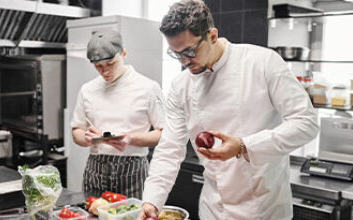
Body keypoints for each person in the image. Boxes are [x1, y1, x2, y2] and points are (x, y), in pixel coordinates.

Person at [139, 0, 319, 219]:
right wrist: (152, 201)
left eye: (189, 51)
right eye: (176, 53)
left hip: (263, 207)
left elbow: (306, 123)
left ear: (212, 36)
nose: (184, 62)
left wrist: (244, 146)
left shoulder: (262, 62)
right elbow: (169, 149)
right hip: (213, 208)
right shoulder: (181, 86)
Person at [71, 30, 165, 199]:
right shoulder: (87, 90)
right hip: (95, 169)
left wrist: (131, 139)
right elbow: (77, 130)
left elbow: (164, 133)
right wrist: (86, 138)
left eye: (111, 64)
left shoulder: (148, 88)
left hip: (133, 171)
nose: (105, 71)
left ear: (124, 53)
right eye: (99, 66)